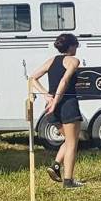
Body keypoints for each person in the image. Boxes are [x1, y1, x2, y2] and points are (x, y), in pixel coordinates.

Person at [30, 33, 85, 188]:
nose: (77, 48)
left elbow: (32, 77)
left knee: (68, 139)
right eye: (77, 45)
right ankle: (68, 181)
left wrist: (46, 95)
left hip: (51, 108)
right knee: (73, 142)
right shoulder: (73, 61)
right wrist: (55, 101)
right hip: (67, 104)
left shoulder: (52, 61)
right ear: (72, 46)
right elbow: (64, 80)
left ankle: (55, 166)